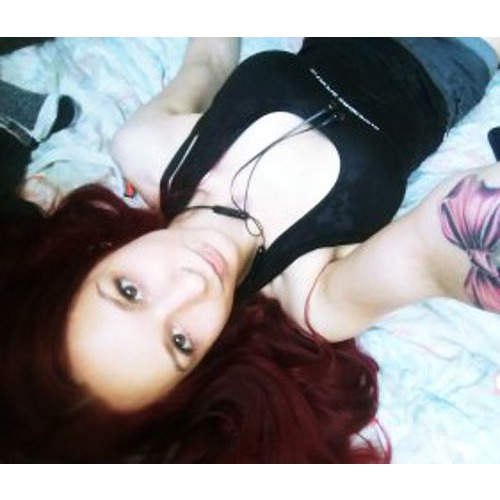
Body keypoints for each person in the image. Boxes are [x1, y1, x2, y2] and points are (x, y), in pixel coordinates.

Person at [0, 38, 499, 463]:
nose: (190, 286)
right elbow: (437, 251)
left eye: (129, 290)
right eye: (180, 342)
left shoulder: (145, 148)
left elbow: (209, 60)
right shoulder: (315, 299)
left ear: (92, 261)